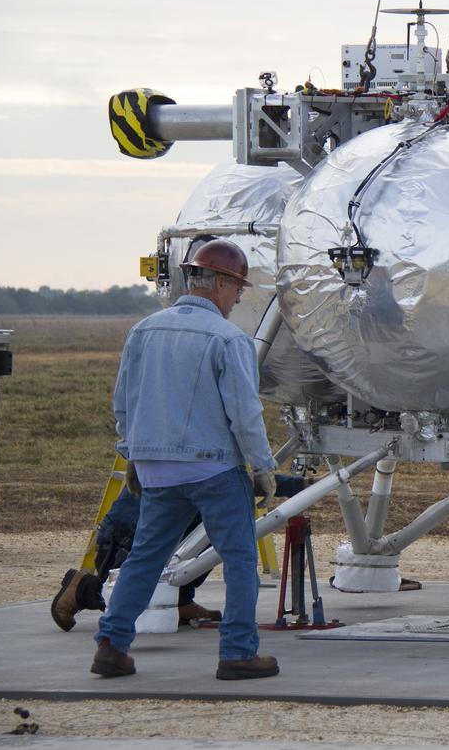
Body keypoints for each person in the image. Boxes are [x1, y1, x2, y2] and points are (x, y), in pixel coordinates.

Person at [90, 239, 281, 680]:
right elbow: (244, 413)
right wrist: (263, 466)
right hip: (214, 468)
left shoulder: (144, 330)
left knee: (146, 557)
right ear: (218, 283)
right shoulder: (229, 339)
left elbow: (124, 402)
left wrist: (133, 455)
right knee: (238, 560)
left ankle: (111, 645)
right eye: (237, 289)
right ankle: (237, 652)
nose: (238, 299)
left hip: (156, 468)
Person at [51, 472, 310, 632]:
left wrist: (303, 484)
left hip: (138, 534)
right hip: (124, 542)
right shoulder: (190, 453)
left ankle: (181, 600)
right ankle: (84, 589)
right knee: (138, 590)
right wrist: (301, 485)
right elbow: (241, 480)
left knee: (211, 529)